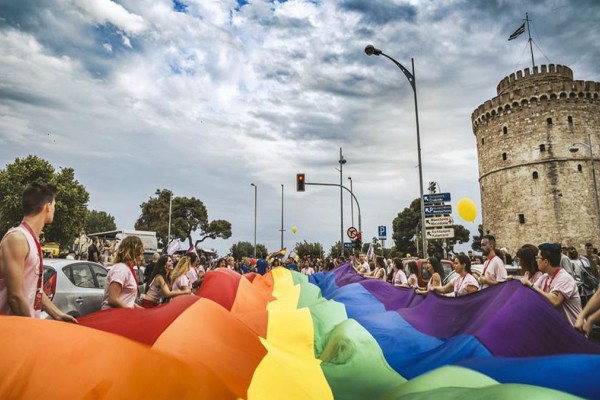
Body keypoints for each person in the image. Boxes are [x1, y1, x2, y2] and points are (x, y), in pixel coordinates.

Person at [0, 182, 77, 322]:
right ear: (47, 206)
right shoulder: (17, 239)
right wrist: (31, 329)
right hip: (9, 332)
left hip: (21, 326)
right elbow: (15, 297)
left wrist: (57, 314)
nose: (54, 209)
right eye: (54, 205)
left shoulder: (31, 239)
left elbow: (36, 289)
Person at [521, 243, 582, 326]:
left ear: (546, 262)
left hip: (573, 331)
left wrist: (530, 284)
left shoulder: (565, 278)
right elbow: (528, 293)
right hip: (560, 330)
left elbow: (555, 301)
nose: (536, 260)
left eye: (538, 258)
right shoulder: (545, 277)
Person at [100, 236, 144, 310]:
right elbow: (112, 299)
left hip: (121, 315)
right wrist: (131, 311)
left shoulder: (126, 269)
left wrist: (144, 311)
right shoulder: (121, 269)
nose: (142, 257)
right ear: (134, 252)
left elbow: (126, 301)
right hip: (113, 316)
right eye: (140, 253)